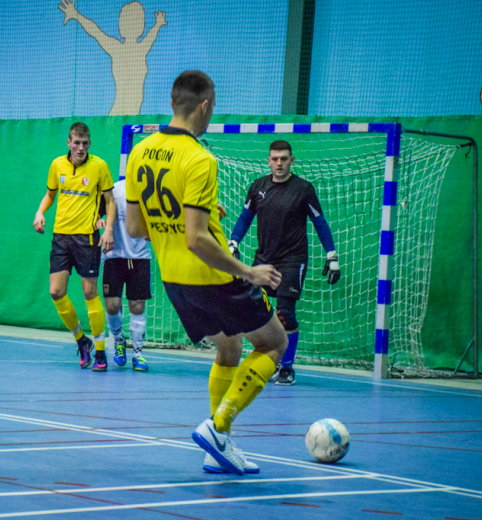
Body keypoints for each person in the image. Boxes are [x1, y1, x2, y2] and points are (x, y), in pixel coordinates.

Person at [125, 70, 289, 476]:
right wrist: (248, 272)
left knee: (229, 347)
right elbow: (198, 240)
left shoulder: (140, 151)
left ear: (171, 103)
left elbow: (134, 228)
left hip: (174, 281)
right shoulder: (200, 158)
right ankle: (219, 427)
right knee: (274, 343)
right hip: (213, 277)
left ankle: (215, 449)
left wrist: (185, 219)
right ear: (205, 106)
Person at [227, 140, 340, 386]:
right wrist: (233, 241)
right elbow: (245, 217)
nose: (279, 163)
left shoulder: (303, 189)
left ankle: (287, 368)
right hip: (263, 259)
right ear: (268, 161)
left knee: (285, 314)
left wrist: (332, 256)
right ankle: (270, 359)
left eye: (284, 159)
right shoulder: (257, 187)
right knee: (257, 312)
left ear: (292, 161)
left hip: (293, 260)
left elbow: (319, 222)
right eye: (275, 159)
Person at [34, 123, 116, 371]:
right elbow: (50, 194)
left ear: (89, 144)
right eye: (76, 143)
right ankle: (82, 341)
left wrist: (109, 229)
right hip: (61, 237)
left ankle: (101, 351)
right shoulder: (57, 164)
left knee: (90, 293)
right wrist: (40, 212)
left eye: (85, 143)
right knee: (56, 292)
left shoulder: (99, 166)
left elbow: (110, 201)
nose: (81, 147)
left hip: (87, 238)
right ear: (68, 143)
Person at [58, 0, 166, 116]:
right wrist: (75, 15)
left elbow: (152, 34)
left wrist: (158, 24)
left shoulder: (139, 48)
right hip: (118, 115)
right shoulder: (121, 48)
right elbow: (95, 31)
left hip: (132, 116)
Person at [99, 178, 152, 371]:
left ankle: (138, 353)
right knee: (112, 306)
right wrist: (99, 219)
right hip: (113, 255)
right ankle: (119, 340)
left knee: (137, 306)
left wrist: (153, 231)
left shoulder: (151, 193)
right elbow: (98, 209)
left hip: (140, 257)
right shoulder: (113, 190)